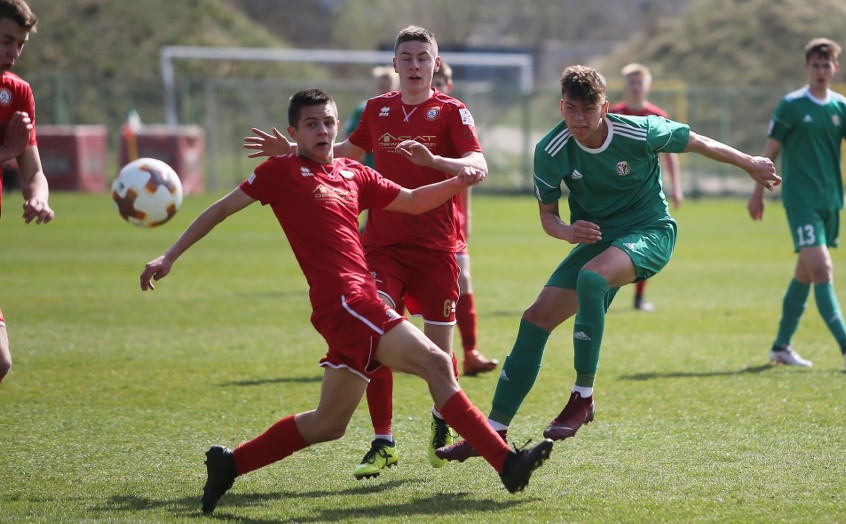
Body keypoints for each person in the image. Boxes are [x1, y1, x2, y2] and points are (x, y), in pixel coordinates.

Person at [140, 88, 553, 514]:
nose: (322, 130)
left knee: (328, 424)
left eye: (329, 122)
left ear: (339, 127)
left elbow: (411, 202)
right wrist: (169, 255)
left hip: (354, 305)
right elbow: (221, 209)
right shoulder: (281, 171)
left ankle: (230, 463)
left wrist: (455, 179)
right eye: (312, 124)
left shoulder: (354, 172)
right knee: (436, 363)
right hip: (347, 301)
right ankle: (506, 464)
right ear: (294, 132)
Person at [435, 65, 780, 462]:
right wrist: (567, 232)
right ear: (561, 106)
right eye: (570, 109)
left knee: (592, 278)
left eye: (587, 109)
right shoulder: (550, 149)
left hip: (650, 230)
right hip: (597, 239)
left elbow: (697, 141)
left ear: (604, 106)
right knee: (534, 319)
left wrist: (750, 163)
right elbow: (548, 216)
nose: (578, 119)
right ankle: (492, 431)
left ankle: (582, 397)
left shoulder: (637, 130)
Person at [245, 26, 490, 480]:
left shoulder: (452, 112)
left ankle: (443, 420)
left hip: (437, 246)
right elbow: (341, 154)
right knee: (376, 337)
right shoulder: (378, 110)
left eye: (422, 58)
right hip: (382, 246)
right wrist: (295, 149)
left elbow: (479, 166)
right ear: (394, 65)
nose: (414, 66)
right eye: (406, 58)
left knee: (439, 353)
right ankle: (383, 439)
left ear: (435, 65)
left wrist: (435, 163)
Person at [748, 38, 846, 371]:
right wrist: (757, 193)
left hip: (830, 201)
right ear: (807, 67)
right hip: (800, 200)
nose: (821, 71)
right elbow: (769, 152)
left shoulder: (842, 108)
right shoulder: (791, 106)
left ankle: (781, 347)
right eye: (816, 65)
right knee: (822, 269)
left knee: (805, 274)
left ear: (835, 68)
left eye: (827, 65)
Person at [430, 60, 498, 376]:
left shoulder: (456, 117)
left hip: (449, 220)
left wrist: (466, 215)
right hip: (406, 215)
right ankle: (389, 352)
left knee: (463, 279)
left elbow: (470, 170)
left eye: (444, 80)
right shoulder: (397, 116)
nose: (440, 85)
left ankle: (470, 351)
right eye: (436, 79)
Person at [0, 0, 55, 385]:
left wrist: (38, 197)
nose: (12, 52)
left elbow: (32, 168)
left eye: (19, 44)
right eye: (5, 40)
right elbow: (13, 151)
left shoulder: (17, 93)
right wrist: (6, 150)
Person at [609, 62, 683, 312]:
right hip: (615, 190)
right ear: (625, 86)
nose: (635, 86)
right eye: (631, 82)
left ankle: (639, 298)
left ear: (647, 87)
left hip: (645, 193)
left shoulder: (657, 116)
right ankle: (602, 287)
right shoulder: (614, 114)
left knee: (644, 240)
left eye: (639, 82)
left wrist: (676, 186)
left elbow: (670, 153)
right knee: (611, 237)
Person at [343, 65, 398, 168]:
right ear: (376, 87)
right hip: (370, 168)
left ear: (395, 87)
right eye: (382, 86)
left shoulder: (402, 110)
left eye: (388, 87)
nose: (384, 90)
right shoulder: (364, 109)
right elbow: (349, 135)